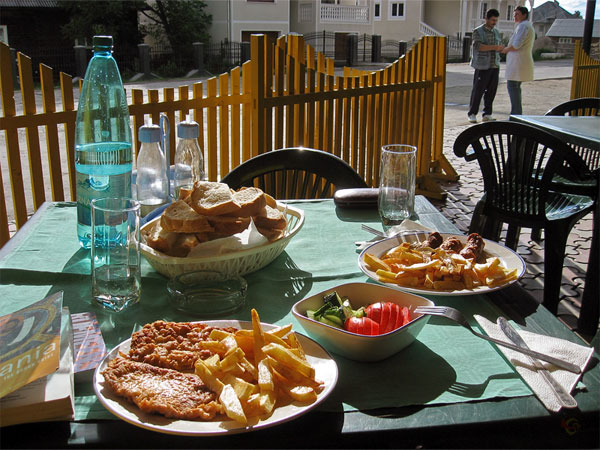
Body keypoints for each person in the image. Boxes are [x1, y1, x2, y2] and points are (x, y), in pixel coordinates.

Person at [467, 9, 504, 124]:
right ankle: (472, 113)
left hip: (494, 65)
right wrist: (494, 47)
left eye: (496, 20)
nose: (494, 22)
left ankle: (487, 113)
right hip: (482, 66)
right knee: (478, 90)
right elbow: (478, 46)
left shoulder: (496, 32)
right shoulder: (478, 31)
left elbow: (498, 46)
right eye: (492, 20)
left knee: (491, 91)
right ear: (487, 19)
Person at [502, 6, 535, 115]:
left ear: (524, 15)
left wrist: (506, 49)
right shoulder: (525, 26)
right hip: (519, 61)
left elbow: (516, 45)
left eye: (517, 14)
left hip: (518, 62)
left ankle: (516, 113)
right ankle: (516, 113)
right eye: (514, 14)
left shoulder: (523, 26)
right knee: (515, 87)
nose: (515, 16)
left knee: (512, 86)